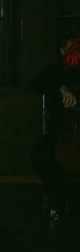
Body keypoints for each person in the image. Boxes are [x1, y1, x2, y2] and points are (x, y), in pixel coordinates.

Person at [30, 29, 80, 224]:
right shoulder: (56, 72)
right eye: (71, 49)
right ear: (62, 52)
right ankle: (60, 200)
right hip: (64, 133)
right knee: (40, 153)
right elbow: (34, 84)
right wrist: (61, 86)